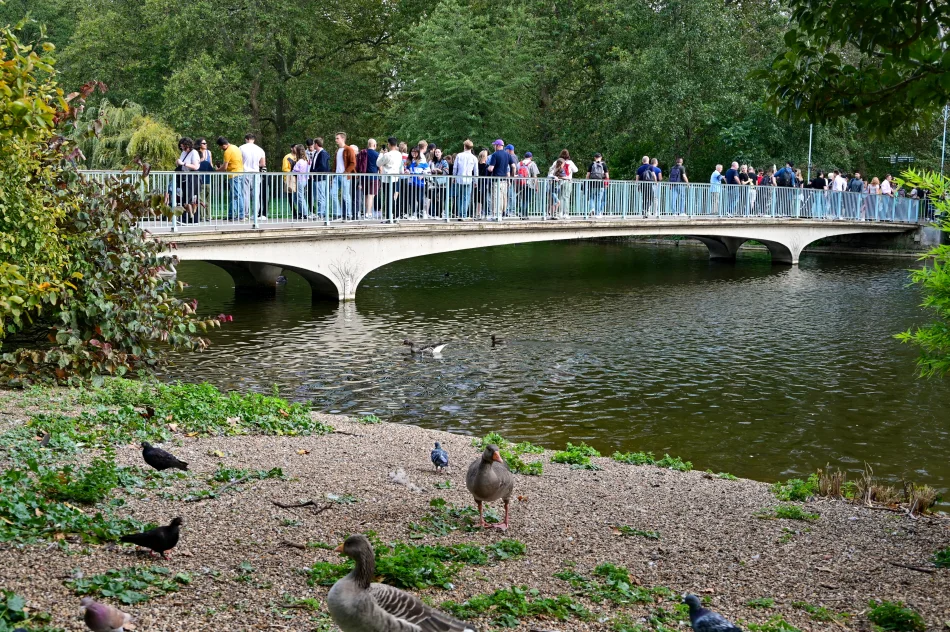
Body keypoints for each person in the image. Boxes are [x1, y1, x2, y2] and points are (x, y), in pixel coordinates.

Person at [486, 139, 516, 219]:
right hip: (504, 180)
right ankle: (503, 214)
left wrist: (487, 168)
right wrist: (512, 177)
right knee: (503, 197)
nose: (494, 147)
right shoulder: (508, 155)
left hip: (496, 180)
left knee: (495, 197)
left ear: (498, 145)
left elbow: (491, 168)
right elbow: (513, 166)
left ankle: (495, 215)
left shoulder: (495, 155)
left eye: (494, 145)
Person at [239, 133, 267, 221]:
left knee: (245, 194)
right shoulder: (260, 149)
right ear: (253, 140)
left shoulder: (241, 148)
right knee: (256, 194)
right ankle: (255, 214)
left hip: (245, 172)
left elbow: (240, 161)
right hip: (256, 172)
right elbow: (262, 164)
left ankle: (245, 214)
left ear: (246, 139)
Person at [217, 137, 244, 220]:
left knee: (237, 195)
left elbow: (225, 167)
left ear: (224, 145)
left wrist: (217, 170)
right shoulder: (235, 147)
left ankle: (241, 215)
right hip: (240, 173)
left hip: (234, 175)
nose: (220, 148)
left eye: (221, 147)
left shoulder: (227, 152)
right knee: (233, 195)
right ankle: (231, 214)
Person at [375, 137, 403, 221]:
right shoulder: (399, 154)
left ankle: (388, 216)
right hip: (395, 178)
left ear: (389, 144)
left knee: (388, 198)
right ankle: (395, 214)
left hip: (387, 179)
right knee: (393, 197)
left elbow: (378, 163)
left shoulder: (387, 155)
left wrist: (381, 154)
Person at [331, 132, 356, 220]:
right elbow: (335, 163)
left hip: (344, 175)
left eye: (337, 138)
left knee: (345, 195)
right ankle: (337, 213)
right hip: (337, 175)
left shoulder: (349, 149)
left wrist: (346, 172)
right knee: (333, 193)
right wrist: (333, 173)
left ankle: (349, 214)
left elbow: (353, 163)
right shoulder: (338, 150)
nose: (336, 140)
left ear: (342, 139)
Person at [174, 137, 200, 223]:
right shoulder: (183, 153)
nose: (182, 148)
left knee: (190, 198)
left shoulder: (194, 153)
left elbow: (196, 166)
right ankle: (184, 218)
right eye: (181, 147)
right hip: (184, 177)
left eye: (183, 146)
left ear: (187, 145)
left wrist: (184, 163)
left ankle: (192, 218)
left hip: (192, 178)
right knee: (183, 198)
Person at [453, 139, 478, 219]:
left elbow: (455, 167)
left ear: (464, 146)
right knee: (466, 197)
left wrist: (454, 177)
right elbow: (476, 171)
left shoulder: (459, 155)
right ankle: (464, 214)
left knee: (459, 197)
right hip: (469, 179)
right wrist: (475, 181)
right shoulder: (474, 158)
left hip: (459, 178)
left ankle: (460, 214)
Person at [308, 137, 330, 220]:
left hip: (320, 177)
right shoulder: (316, 153)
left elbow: (323, 166)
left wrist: (314, 171)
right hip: (316, 177)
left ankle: (321, 213)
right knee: (318, 196)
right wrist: (311, 172)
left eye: (314, 144)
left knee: (321, 196)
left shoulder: (323, 153)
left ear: (316, 144)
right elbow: (313, 164)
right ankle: (319, 212)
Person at [406, 147, 429, 218]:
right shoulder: (409, 161)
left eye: (415, 152)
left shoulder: (422, 161)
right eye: (412, 152)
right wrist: (406, 172)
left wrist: (423, 175)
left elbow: (428, 170)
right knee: (411, 198)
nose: (413, 153)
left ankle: (421, 211)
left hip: (420, 183)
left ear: (418, 153)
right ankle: (413, 213)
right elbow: (406, 169)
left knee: (420, 198)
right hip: (411, 182)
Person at [516, 151, 541, 216]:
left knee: (522, 199)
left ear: (524, 157)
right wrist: (536, 186)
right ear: (531, 157)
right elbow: (535, 176)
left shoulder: (519, 164)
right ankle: (524, 214)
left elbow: (516, 174)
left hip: (520, 184)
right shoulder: (532, 164)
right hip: (529, 185)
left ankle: (520, 212)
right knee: (527, 200)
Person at [195, 138, 214, 221]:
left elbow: (211, 164)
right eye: (203, 143)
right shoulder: (198, 155)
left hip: (204, 180)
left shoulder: (208, 153)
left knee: (204, 199)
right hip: (204, 181)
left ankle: (205, 216)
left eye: (206, 143)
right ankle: (205, 216)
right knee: (205, 199)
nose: (205, 144)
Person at [555, 149, 578, 216]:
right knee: (566, 197)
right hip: (568, 180)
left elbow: (553, 169)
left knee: (560, 196)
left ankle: (560, 212)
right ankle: (566, 213)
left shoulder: (558, 161)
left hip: (559, 180)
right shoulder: (570, 162)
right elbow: (576, 170)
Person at [291, 144, 309, 219]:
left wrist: (293, 171)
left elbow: (296, 170)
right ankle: (301, 211)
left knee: (300, 196)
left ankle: (304, 213)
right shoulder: (306, 160)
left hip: (300, 180)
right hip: (303, 180)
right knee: (296, 197)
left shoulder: (300, 162)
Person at [476, 150, 490, 218]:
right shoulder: (486, 166)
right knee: (483, 198)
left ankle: (478, 212)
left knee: (478, 198)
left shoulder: (477, 165)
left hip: (477, 183)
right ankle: (482, 212)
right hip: (483, 183)